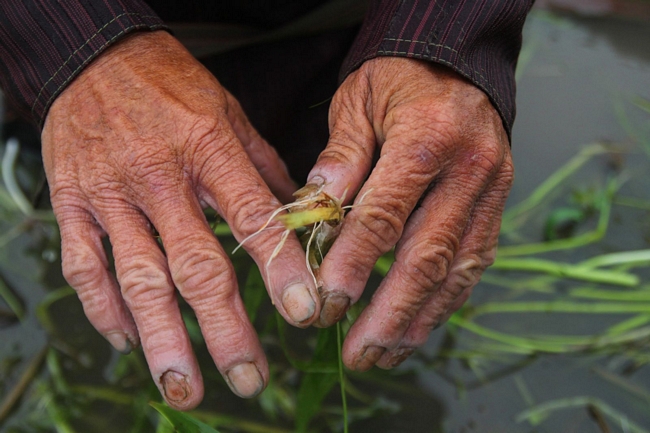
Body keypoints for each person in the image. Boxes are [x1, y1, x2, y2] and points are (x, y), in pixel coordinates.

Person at [0, 0, 533, 410]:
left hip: (341, 39)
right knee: (111, 239)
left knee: (348, 209)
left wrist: (448, 40)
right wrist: (72, 49)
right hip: (74, 51)